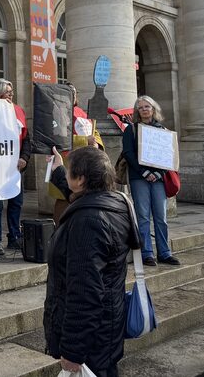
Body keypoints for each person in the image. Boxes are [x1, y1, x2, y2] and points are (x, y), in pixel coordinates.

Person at [43, 146, 134, 377]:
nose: (66, 175)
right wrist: (58, 169)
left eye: (69, 171)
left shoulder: (88, 221)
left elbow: (85, 291)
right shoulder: (113, 202)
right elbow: (79, 198)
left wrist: (74, 350)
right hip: (106, 327)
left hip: (91, 339)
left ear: (81, 179)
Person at [121, 95, 180, 267]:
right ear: (137, 111)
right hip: (139, 177)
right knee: (143, 216)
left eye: (147, 106)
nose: (145, 110)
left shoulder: (162, 130)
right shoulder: (131, 130)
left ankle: (164, 252)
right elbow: (128, 154)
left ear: (154, 109)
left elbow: (167, 155)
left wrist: (159, 174)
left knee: (161, 217)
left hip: (159, 179)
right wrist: (145, 172)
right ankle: (147, 253)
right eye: (141, 107)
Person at [0, 78, 32, 255]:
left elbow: (27, 139)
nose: (11, 94)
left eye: (11, 91)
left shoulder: (18, 111)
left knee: (16, 203)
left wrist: (24, 158)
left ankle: (14, 237)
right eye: (7, 91)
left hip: (15, 168)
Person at [49, 80, 104, 225]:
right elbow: (58, 137)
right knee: (64, 197)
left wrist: (97, 143)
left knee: (81, 194)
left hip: (86, 161)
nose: (72, 95)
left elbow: (94, 131)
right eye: (68, 92)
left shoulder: (82, 112)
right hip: (66, 161)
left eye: (74, 93)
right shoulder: (57, 112)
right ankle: (59, 230)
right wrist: (84, 140)